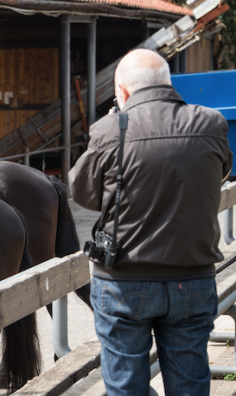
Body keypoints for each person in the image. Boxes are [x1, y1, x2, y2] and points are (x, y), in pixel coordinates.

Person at [69, 48, 232, 396]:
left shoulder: (111, 128)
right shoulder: (211, 122)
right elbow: (219, 174)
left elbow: (82, 193)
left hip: (125, 281)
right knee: (190, 386)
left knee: (126, 387)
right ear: (167, 83)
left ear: (123, 92)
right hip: (193, 278)